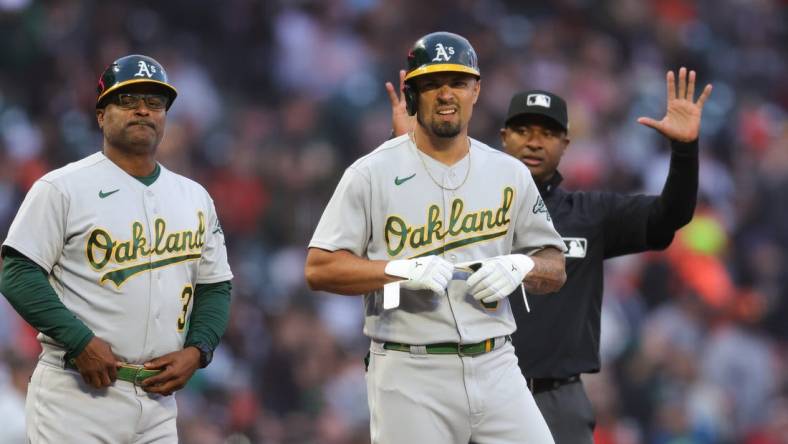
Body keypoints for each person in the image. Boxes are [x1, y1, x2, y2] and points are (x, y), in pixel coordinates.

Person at [388, 67, 712, 443]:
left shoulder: (591, 214)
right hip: (474, 391)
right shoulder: (464, 209)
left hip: (557, 398)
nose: (534, 142)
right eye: (523, 131)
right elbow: (400, 230)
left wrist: (685, 151)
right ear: (504, 138)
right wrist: (405, 153)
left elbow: (668, 217)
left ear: (565, 144)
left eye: (548, 133)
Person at [306, 31, 566, 444]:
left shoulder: (509, 172)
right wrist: (397, 270)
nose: (446, 94)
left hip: (496, 360)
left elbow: (555, 265)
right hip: (409, 370)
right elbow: (319, 268)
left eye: (458, 83)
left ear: (476, 90)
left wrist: (521, 265)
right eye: (431, 84)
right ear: (411, 94)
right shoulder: (370, 173)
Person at [0, 54, 233, 443]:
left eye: (155, 103)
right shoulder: (62, 188)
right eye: (128, 100)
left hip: (158, 402)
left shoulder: (194, 197)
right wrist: (78, 340)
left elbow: (216, 285)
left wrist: (198, 349)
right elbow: (17, 271)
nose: (143, 110)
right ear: (101, 115)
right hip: (76, 394)